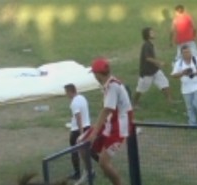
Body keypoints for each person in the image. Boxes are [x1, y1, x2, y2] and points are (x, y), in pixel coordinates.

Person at [76, 57, 133, 185]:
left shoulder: (112, 86)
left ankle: (110, 175)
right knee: (81, 142)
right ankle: (91, 171)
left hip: (119, 126)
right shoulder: (110, 83)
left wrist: (94, 133)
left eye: (94, 74)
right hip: (111, 122)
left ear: (97, 74)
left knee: (104, 162)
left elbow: (106, 110)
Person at [64, 83, 98, 180]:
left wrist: (81, 133)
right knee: (89, 150)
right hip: (87, 126)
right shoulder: (82, 98)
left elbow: (78, 117)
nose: (66, 95)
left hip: (77, 130)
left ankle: (77, 173)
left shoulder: (74, 102)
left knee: (74, 151)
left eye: (66, 92)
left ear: (70, 91)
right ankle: (101, 163)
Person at [133, 27, 173, 109]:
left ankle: (169, 100)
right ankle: (134, 103)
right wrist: (159, 62)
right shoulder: (146, 45)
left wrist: (158, 66)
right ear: (147, 35)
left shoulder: (150, 44)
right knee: (141, 89)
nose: (154, 33)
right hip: (147, 72)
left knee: (164, 83)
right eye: (151, 32)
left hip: (155, 70)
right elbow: (148, 58)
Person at [171, 45, 197, 125]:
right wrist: (182, 73)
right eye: (185, 52)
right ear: (182, 54)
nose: (187, 54)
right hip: (185, 89)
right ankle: (192, 122)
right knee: (189, 107)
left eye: (188, 52)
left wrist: (194, 73)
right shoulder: (179, 63)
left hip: (196, 87)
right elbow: (173, 75)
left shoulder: (195, 60)